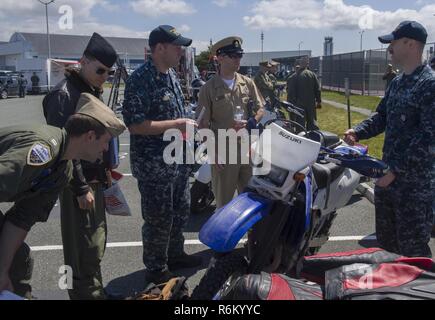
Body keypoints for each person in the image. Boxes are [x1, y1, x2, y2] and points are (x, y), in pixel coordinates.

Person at [0, 93, 126, 299]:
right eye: (106, 142)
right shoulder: (43, 149)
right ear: (90, 136)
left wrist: (2, 271)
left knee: (16, 261)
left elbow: (20, 220)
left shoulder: (62, 171)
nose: (105, 150)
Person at [344, 21, 435, 257]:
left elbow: (429, 139)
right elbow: (382, 116)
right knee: (386, 252)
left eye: (393, 42)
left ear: (411, 44)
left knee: (413, 255)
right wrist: (358, 131)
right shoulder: (397, 82)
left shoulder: (430, 84)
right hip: (387, 182)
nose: (389, 48)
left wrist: (394, 170)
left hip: (414, 188)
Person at [122, 25, 201, 285]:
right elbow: (135, 124)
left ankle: (175, 255)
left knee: (179, 211)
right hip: (154, 165)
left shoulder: (171, 76)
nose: (181, 51)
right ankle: (156, 269)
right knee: (158, 218)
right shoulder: (141, 79)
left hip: (177, 161)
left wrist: (186, 126)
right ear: (159, 48)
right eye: (177, 46)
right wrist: (177, 125)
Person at [42, 32, 118, 300]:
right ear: (83, 62)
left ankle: (95, 291)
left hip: (94, 180)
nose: (104, 77)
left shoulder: (87, 91)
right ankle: (87, 295)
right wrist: (80, 186)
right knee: (82, 246)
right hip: (78, 184)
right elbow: (64, 148)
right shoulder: (64, 96)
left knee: (95, 243)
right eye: (100, 70)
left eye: (108, 73)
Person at [197, 36, 265, 209]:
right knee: (224, 204)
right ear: (219, 58)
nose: (238, 60)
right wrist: (212, 152)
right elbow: (202, 123)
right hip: (223, 152)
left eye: (239, 56)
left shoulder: (247, 83)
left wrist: (252, 122)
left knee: (250, 202)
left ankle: (252, 236)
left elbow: (261, 108)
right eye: (233, 56)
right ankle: (224, 237)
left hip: (246, 148)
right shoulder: (209, 88)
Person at [286, 56, 321, 131]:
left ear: (300, 64)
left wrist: (291, 104)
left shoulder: (294, 77)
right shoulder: (312, 75)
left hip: (299, 104)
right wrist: (319, 101)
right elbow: (317, 89)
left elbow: (291, 93)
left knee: (300, 124)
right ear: (307, 65)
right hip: (311, 103)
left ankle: (301, 138)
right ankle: (313, 137)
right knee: (312, 122)